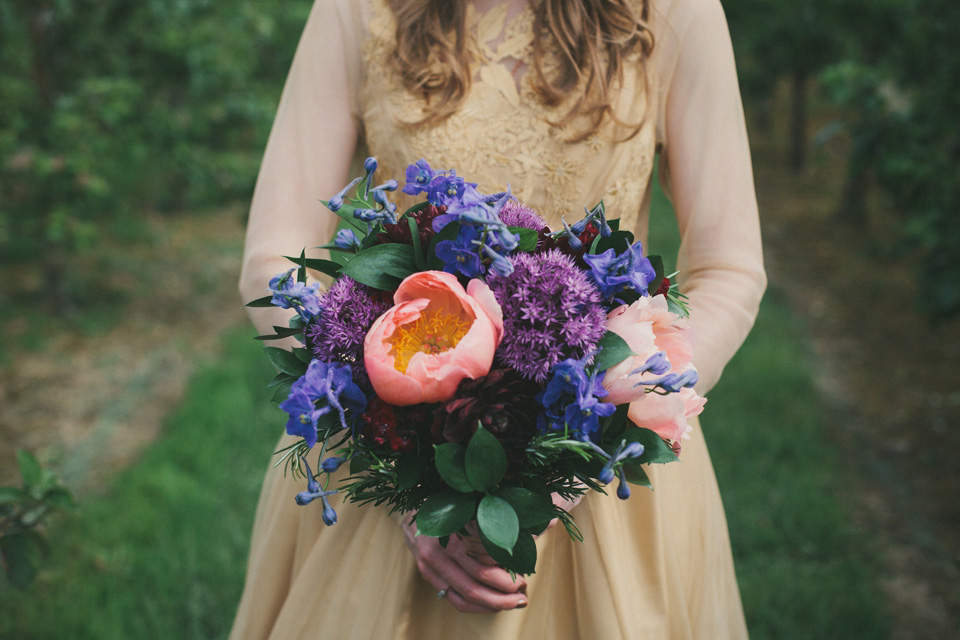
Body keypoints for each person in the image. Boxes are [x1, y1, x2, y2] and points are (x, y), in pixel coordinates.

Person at [232, 0, 766, 637]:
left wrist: (595, 436)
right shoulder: (356, 9)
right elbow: (273, 253)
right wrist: (405, 474)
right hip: (386, 452)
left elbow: (730, 269)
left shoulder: (674, 12)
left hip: (601, 459)